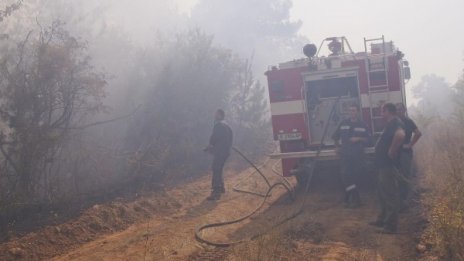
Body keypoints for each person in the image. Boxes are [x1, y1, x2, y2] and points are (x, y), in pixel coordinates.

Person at [369, 103, 405, 234]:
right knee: (382, 193)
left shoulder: (396, 122)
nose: (381, 113)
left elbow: (400, 135)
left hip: (387, 165)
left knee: (390, 194)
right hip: (382, 164)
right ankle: (382, 219)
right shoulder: (390, 123)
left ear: (388, 111)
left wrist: (392, 149)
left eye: (382, 111)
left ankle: (390, 226)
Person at [332, 104, 369, 208]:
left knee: (356, 176)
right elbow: (335, 136)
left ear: (357, 112)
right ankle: (356, 197)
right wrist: (336, 147)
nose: (352, 112)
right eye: (350, 110)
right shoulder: (343, 123)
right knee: (345, 175)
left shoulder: (363, 125)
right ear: (348, 112)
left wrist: (359, 139)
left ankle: (348, 198)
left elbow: (368, 140)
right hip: (345, 154)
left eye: (354, 110)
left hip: (358, 155)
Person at [396, 103, 422, 207]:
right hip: (396, 153)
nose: (399, 111)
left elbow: (418, 133)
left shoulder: (408, 121)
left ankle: (405, 200)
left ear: (404, 110)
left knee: (405, 176)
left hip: (405, 153)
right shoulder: (395, 122)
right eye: (397, 110)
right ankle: (400, 200)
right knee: (397, 176)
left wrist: (410, 144)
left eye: (400, 110)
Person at [204, 109, 233, 200]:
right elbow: (230, 138)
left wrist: (209, 146)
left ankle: (216, 192)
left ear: (220, 115)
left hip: (220, 151)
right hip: (226, 152)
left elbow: (214, 138)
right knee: (219, 168)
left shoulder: (218, 125)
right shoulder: (227, 125)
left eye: (216, 114)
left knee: (216, 168)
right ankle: (221, 188)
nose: (214, 115)